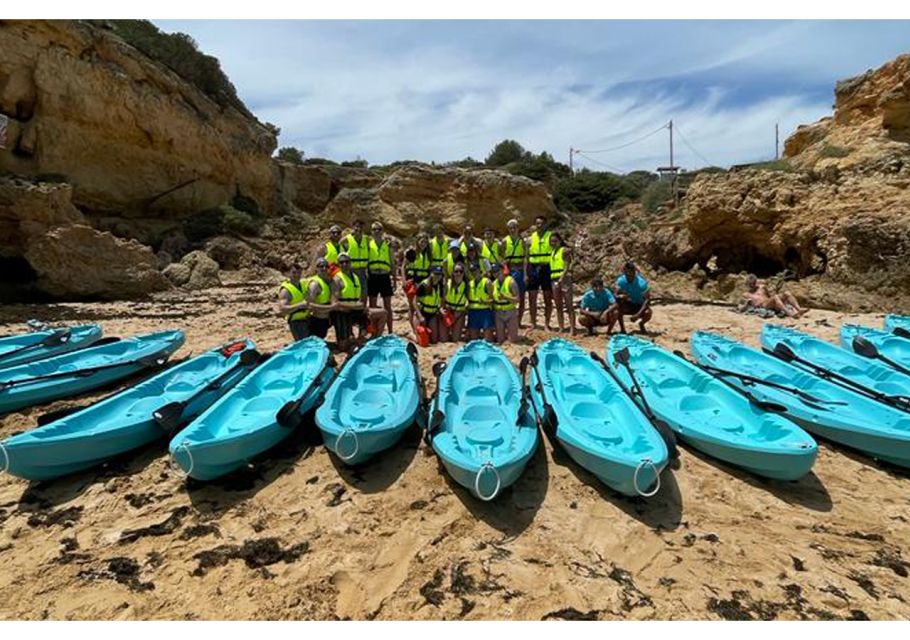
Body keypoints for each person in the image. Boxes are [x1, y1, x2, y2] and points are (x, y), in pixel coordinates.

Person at [331, 253, 367, 352]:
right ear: (338, 264)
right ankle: (346, 341)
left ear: (350, 263)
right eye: (341, 262)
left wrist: (358, 306)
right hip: (342, 312)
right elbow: (335, 303)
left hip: (354, 310)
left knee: (377, 314)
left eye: (347, 262)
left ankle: (359, 340)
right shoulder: (337, 279)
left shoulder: (355, 277)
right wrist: (354, 306)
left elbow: (360, 298)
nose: (344, 264)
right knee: (342, 347)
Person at [367, 222, 396, 334]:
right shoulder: (369, 245)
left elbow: (393, 263)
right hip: (373, 276)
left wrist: (394, 280)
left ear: (382, 231)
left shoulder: (388, 245)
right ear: (371, 232)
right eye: (374, 229)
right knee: (372, 305)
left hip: (385, 276)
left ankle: (390, 331)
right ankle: (374, 331)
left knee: (388, 305)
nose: (377, 231)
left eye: (379, 229)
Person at [526, 215, 553, 330]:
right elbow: (526, 257)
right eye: (537, 223)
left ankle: (546, 323)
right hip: (533, 268)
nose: (539, 225)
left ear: (546, 224)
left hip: (547, 268)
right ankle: (533, 323)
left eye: (541, 223)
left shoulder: (551, 237)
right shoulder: (530, 239)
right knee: (532, 297)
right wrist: (525, 274)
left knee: (547, 297)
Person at [501, 218, 527, 328]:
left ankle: (519, 321)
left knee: (521, 296)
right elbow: (501, 256)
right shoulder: (504, 241)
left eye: (514, 227)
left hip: (520, 270)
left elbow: (526, 257)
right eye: (510, 228)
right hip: (509, 271)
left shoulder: (523, 241)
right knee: (508, 295)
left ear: (518, 228)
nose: (512, 230)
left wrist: (525, 274)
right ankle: (508, 320)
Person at [549, 233, 576, 335]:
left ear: (560, 241)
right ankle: (561, 327)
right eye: (552, 241)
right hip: (554, 279)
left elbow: (566, 266)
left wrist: (561, 279)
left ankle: (572, 328)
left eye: (555, 241)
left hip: (564, 279)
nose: (553, 243)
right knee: (558, 305)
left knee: (569, 304)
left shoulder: (564, 251)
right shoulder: (552, 252)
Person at [615, 261, 653, 334]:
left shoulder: (642, 283)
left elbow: (647, 300)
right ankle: (622, 329)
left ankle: (641, 324)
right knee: (617, 306)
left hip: (640, 305)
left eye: (631, 272)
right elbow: (615, 294)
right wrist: (620, 296)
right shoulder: (621, 281)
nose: (629, 274)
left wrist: (638, 314)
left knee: (648, 312)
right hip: (628, 303)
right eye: (627, 272)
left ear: (635, 272)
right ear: (624, 271)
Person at [277, 263, 311, 341]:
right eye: (294, 272)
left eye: (299, 272)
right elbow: (283, 309)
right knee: (304, 344)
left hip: (308, 318)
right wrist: (300, 305)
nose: (297, 275)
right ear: (288, 273)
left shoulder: (303, 284)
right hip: (296, 322)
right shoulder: (285, 290)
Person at [306, 258, 337, 339]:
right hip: (316, 320)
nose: (324, 268)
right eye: (321, 266)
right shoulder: (315, 284)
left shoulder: (329, 281)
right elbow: (310, 305)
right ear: (316, 268)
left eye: (326, 266)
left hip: (325, 319)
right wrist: (330, 308)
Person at [414, 267, 445, 345]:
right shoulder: (424, 285)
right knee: (422, 343)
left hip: (432, 313)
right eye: (436, 274)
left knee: (434, 340)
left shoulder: (440, 285)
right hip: (422, 312)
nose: (437, 276)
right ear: (431, 274)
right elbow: (414, 301)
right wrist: (420, 316)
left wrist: (440, 308)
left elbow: (440, 301)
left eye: (439, 274)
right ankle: (412, 335)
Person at [466, 261, 495, 342]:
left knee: (488, 339)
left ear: (479, 270)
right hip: (473, 312)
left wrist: (485, 302)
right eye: (472, 271)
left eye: (475, 270)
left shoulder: (487, 282)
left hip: (485, 311)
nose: (474, 272)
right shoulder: (470, 284)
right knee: (473, 340)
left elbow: (493, 300)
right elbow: (467, 299)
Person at [491, 262, 520, 344]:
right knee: (500, 340)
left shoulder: (511, 282)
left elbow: (517, 299)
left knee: (513, 341)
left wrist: (506, 297)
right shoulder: (493, 284)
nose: (496, 273)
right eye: (493, 271)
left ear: (502, 270)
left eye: (497, 271)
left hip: (510, 311)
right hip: (498, 313)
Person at [441, 262, 469, 342]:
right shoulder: (447, 284)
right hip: (448, 313)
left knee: (455, 339)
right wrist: (444, 311)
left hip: (459, 313)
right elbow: (442, 300)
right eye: (456, 271)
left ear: (464, 273)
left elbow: (469, 301)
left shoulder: (467, 285)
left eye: (460, 271)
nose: (458, 273)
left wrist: (462, 311)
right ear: (452, 273)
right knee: (443, 339)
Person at [342, 219, 371, 296]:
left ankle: (363, 307)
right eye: (357, 226)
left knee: (364, 290)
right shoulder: (346, 240)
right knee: (352, 289)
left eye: (361, 227)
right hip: (351, 269)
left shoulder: (367, 239)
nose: (359, 229)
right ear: (353, 227)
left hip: (363, 270)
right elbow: (339, 248)